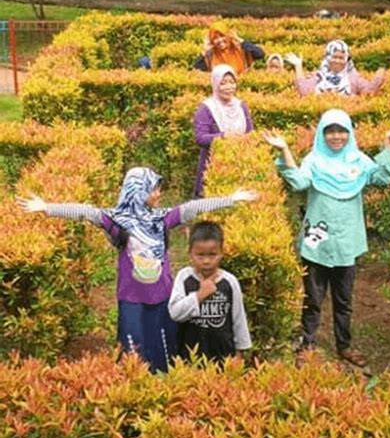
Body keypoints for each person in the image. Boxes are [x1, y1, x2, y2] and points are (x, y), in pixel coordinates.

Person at [17, 167, 258, 373]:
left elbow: (192, 208)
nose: (158, 194)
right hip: (132, 298)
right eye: (154, 189)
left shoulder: (161, 219)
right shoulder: (117, 221)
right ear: (138, 191)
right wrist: (47, 207)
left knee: (165, 348)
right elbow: (86, 212)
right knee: (134, 350)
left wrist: (230, 199)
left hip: (163, 295)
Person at [264, 109, 390, 367]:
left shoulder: (358, 160)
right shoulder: (314, 161)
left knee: (344, 299)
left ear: (349, 133)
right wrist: (284, 150)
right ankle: (308, 345)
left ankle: (345, 345)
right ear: (322, 134)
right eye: (330, 131)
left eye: (341, 131)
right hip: (318, 242)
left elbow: (385, 177)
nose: (336, 137)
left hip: (346, 242)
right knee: (312, 299)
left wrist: (387, 143)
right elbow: (300, 183)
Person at [168, 221, 251, 363]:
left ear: (221, 253)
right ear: (190, 253)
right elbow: (175, 312)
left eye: (212, 255)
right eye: (200, 255)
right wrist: (199, 295)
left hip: (224, 356)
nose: (206, 261)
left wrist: (240, 352)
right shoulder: (184, 277)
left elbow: (238, 318)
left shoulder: (229, 282)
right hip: (190, 357)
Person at [193, 64, 253, 197]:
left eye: (232, 82)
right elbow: (200, 138)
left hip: (239, 163)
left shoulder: (241, 106)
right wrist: (223, 136)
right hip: (214, 164)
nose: (229, 87)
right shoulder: (206, 108)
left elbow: (250, 133)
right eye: (223, 83)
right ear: (215, 84)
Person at [285, 39, 386, 96]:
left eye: (341, 58)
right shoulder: (318, 76)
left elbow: (368, 92)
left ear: (347, 59)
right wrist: (298, 65)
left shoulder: (353, 77)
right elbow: (304, 91)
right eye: (334, 57)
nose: (337, 60)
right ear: (328, 57)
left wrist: (379, 75)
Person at [193, 21, 265, 74]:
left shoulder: (239, 48)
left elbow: (260, 54)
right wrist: (205, 51)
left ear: (227, 34)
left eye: (222, 35)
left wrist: (240, 40)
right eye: (215, 38)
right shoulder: (211, 55)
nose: (220, 40)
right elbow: (196, 68)